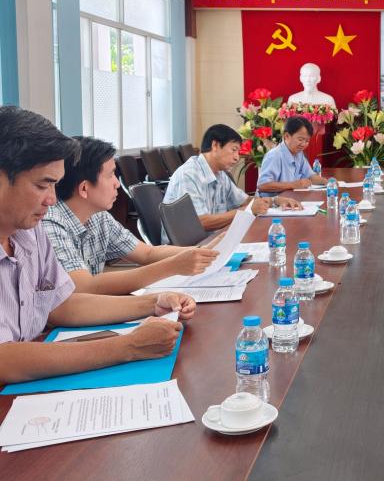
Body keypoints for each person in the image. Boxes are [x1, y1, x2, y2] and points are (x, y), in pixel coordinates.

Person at [0, 106, 195, 385]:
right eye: (42, 185)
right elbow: (4, 359)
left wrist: (154, 303)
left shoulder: (30, 233)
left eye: (55, 185)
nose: (52, 199)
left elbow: (62, 305)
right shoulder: (42, 224)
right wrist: (128, 346)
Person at [42, 137, 221, 295]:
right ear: (84, 188)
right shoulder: (51, 223)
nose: (117, 184)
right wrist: (172, 266)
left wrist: (204, 252)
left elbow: (147, 253)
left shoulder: (99, 216)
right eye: (111, 175)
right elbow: (86, 287)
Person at [163, 124, 300, 239]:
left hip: (212, 241)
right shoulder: (189, 174)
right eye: (234, 150)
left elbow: (245, 201)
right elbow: (200, 222)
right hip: (187, 250)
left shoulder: (220, 174)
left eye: (238, 152)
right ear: (215, 145)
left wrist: (275, 200)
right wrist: (247, 211)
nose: (236, 157)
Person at [257, 116, 327, 196]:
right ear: (286, 136)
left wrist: (327, 182)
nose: (303, 144)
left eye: (307, 141)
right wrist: (293, 185)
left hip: (291, 199)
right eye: (300, 139)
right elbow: (262, 185)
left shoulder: (299, 154)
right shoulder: (274, 155)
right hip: (272, 202)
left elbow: (310, 176)